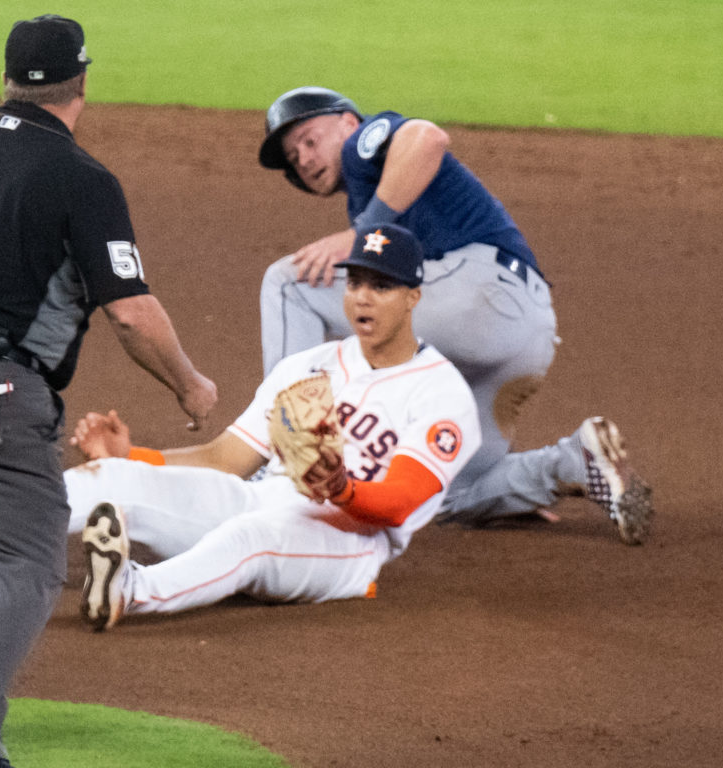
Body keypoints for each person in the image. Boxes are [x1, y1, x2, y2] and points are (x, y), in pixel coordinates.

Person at [0, 15, 216, 768]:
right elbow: (128, 311)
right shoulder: (81, 178)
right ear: (82, 82)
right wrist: (191, 385)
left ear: (7, 78)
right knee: (28, 559)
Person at [256, 86, 652, 544]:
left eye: (308, 140)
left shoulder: (362, 145)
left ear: (347, 122)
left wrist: (362, 232)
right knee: (437, 494)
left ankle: (283, 462)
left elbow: (426, 139)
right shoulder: (370, 193)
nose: (302, 159)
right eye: (293, 157)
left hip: (482, 294)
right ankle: (569, 463)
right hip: (525, 334)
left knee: (289, 283)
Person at [66, 223, 482, 631]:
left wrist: (342, 490)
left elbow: (399, 502)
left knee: (250, 535)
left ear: (413, 297)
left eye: (381, 286)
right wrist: (131, 456)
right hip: (263, 498)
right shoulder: (308, 366)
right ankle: (6, 528)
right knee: (120, 478)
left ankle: (132, 589)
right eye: (355, 283)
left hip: (348, 543)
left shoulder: (442, 393)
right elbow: (225, 458)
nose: (363, 299)